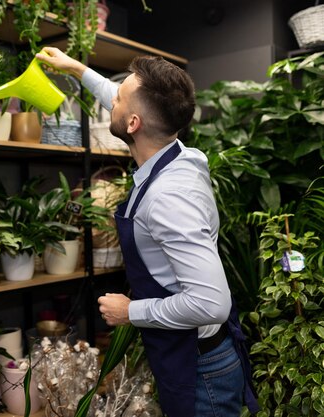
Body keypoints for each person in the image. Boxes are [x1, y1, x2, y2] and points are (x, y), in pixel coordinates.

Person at [36, 46, 259, 417]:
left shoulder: (168, 198)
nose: (112, 101)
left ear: (134, 124)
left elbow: (211, 303)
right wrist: (76, 69)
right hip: (190, 357)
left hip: (201, 371)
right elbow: (124, 100)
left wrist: (131, 311)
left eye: (119, 99)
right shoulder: (178, 151)